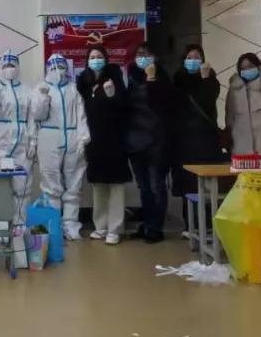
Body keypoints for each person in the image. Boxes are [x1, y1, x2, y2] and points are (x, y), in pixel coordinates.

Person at [31, 53, 89, 241]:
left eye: (62, 66)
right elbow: (37, 116)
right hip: (49, 137)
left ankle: (71, 225)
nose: (58, 71)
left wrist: (83, 138)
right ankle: (53, 225)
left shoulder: (74, 89)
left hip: (72, 136)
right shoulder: (41, 88)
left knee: (74, 184)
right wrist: (43, 97)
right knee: (50, 184)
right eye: (54, 67)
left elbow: (81, 115)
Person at [77, 47, 130, 245]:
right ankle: (100, 226)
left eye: (99, 57)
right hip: (94, 140)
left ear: (106, 60)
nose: (96, 60)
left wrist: (112, 96)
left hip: (114, 139)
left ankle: (115, 228)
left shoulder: (114, 78)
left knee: (116, 185)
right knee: (98, 184)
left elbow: (124, 107)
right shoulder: (83, 81)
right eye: (92, 57)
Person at [125, 43, 174, 243]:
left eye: (146, 54)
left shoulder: (162, 77)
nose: (142, 57)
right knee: (144, 188)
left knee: (156, 186)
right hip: (135, 141)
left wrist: (152, 79)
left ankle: (156, 227)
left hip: (157, 142)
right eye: (139, 54)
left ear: (154, 57)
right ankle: (146, 224)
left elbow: (162, 104)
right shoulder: (131, 78)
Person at [171, 45, 223, 225]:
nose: (193, 61)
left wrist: (205, 78)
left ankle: (209, 223)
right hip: (184, 140)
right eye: (189, 57)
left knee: (208, 182)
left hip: (206, 140)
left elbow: (208, 101)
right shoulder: (178, 79)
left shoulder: (210, 79)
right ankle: (190, 224)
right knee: (188, 182)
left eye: (197, 57)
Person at [0, 50, 37, 227]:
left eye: (13, 65)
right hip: (0, 142)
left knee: (23, 186)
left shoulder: (27, 90)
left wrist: (33, 141)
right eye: (6, 65)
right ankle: (1, 227)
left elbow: (32, 117)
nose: (10, 68)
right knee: (0, 186)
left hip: (22, 143)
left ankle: (20, 225)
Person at [225, 53, 261, 157]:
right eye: (243, 68)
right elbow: (229, 115)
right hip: (241, 144)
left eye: (250, 66)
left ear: (258, 66)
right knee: (244, 167)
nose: (247, 70)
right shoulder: (234, 89)